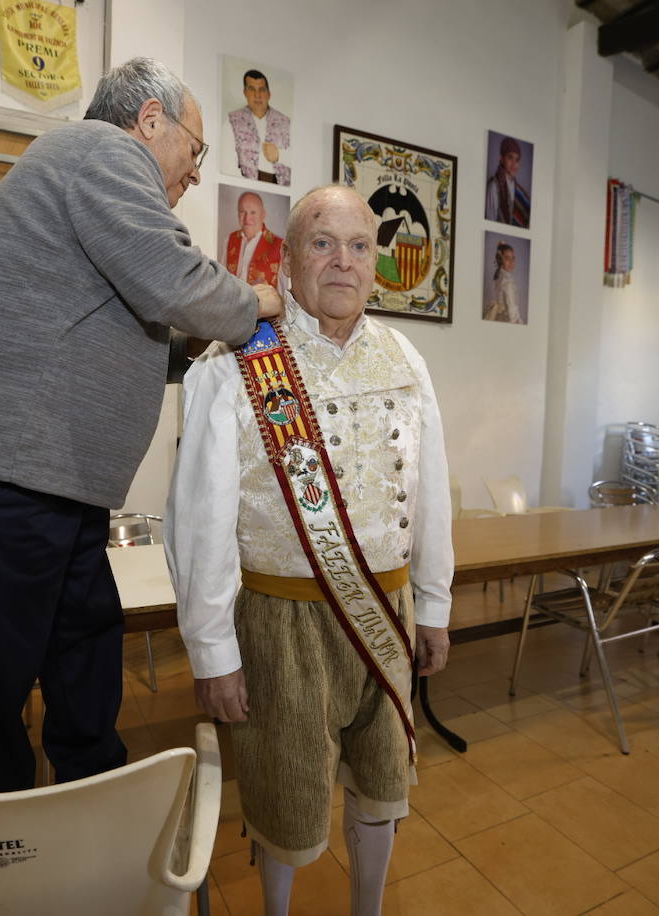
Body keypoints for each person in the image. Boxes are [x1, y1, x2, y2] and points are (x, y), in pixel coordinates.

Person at [0, 57, 283, 797]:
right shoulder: (100, 152)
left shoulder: (94, 182)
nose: (195, 174)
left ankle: (89, 805)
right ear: (149, 121)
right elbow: (169, 278)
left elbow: (129, 327)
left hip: (49, 480)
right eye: (196, 151)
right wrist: (260, 299)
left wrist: (196, 345)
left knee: (86, 645)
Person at [166, 186, 453, 916]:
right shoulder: (234, 361)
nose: (342, 262)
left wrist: (436, 603)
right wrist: (211, 651)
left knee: (383, 786)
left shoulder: (405, 357)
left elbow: (431, 492)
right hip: (280, 623)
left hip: (384, 613)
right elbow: (198, 517)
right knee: (287, 794)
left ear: (376, 265)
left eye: (360, 246)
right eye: (322, 243)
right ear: (287, 260)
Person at [224, 68, 291, 185]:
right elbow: (227, 163)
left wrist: (280, 155)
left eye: (262, 90)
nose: (257, 95)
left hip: (280, 183)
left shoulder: (286, 122)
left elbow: (300, 161)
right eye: (251, 89)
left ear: (269, 94)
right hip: (246, 183)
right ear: (245, 92)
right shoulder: (231, 121)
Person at [223, 190, 285, 286]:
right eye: (243, 212)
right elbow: (222, 280)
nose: (247, 218)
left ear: (263, 214)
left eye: (253, 212)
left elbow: (283, 294)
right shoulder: (229, 239)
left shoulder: (280, 246)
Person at [484, 136, 531, 227]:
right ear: (501, 158)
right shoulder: (494, 186)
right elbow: (490, 221)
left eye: (517, 160)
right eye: (510, 157)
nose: (514, 163)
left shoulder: (518, 190)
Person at [484, 242, 524, 323]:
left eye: (513, 258)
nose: (511, 261)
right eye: (507, 258)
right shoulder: (508, 283)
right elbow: (513, 315)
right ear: (500, 260)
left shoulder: (499, 277)